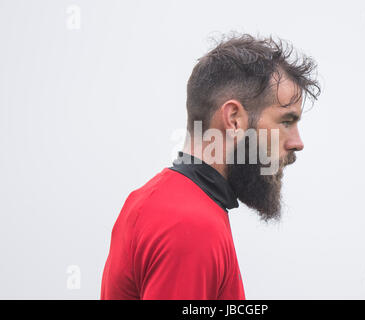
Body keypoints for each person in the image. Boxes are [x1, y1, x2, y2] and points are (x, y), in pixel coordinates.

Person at [100, 32, 320, 300]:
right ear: (234, 119)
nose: (297, 143)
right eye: (286, 121)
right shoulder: (190, 225)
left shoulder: (160, 202)